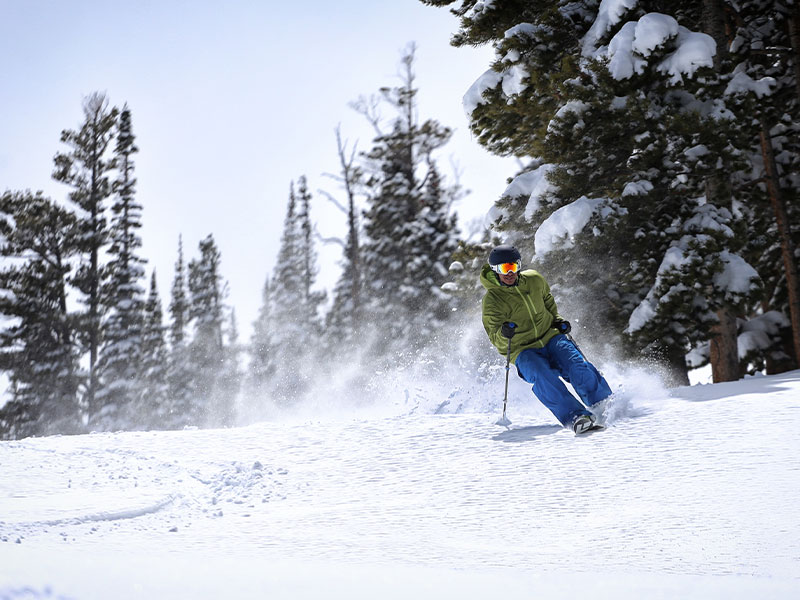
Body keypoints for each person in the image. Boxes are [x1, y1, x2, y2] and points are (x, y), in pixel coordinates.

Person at [480, 244, 613, 434]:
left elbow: (548, 303)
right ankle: (576, 416)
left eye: (513, 266)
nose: (509, 273)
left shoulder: (534, 280)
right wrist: (504, 333)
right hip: (522, 349)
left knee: (575, 364)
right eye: (503, 269)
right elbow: (494, 335)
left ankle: (602, 403)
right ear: (495, 270)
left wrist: (558, 321)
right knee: (542, 375)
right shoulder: (492, 299)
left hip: (550, 335)